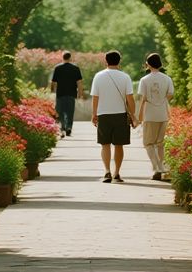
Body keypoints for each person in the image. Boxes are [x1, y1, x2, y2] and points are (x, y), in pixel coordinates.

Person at [90, 50, 137, 183]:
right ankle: (117, 173)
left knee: (105, 145)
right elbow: (130, 99)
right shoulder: (125, 77)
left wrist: (94, 114)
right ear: (119, 61)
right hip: (120, 115)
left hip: (103, 114)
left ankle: (107, 172)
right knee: (119, 145)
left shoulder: (98, 76)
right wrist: (133, 115)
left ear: (106, 61)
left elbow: (95, 97)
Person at [137, 53, 174, 180]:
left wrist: (139, 115)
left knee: (148, 143)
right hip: (163, 113)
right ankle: (161, 166)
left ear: (148, 64)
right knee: (160, 143)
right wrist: (162, 101)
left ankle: (157, 167)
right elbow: (170, 94)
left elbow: (143, 98)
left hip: (149, 114)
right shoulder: (167, 79)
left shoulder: (144, 80)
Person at [50, 51, 84, 138]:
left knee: (60, 111)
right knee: (70, 112)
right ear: (70, 58)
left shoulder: (57, 68)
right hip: (71, 94)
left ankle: (63, 127)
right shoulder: (75, 68)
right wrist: (80, 93)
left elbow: (53, 82)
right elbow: (79, 82)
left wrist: (52, 90)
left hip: (60, 94)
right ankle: (69, 127)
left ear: (63, 57)